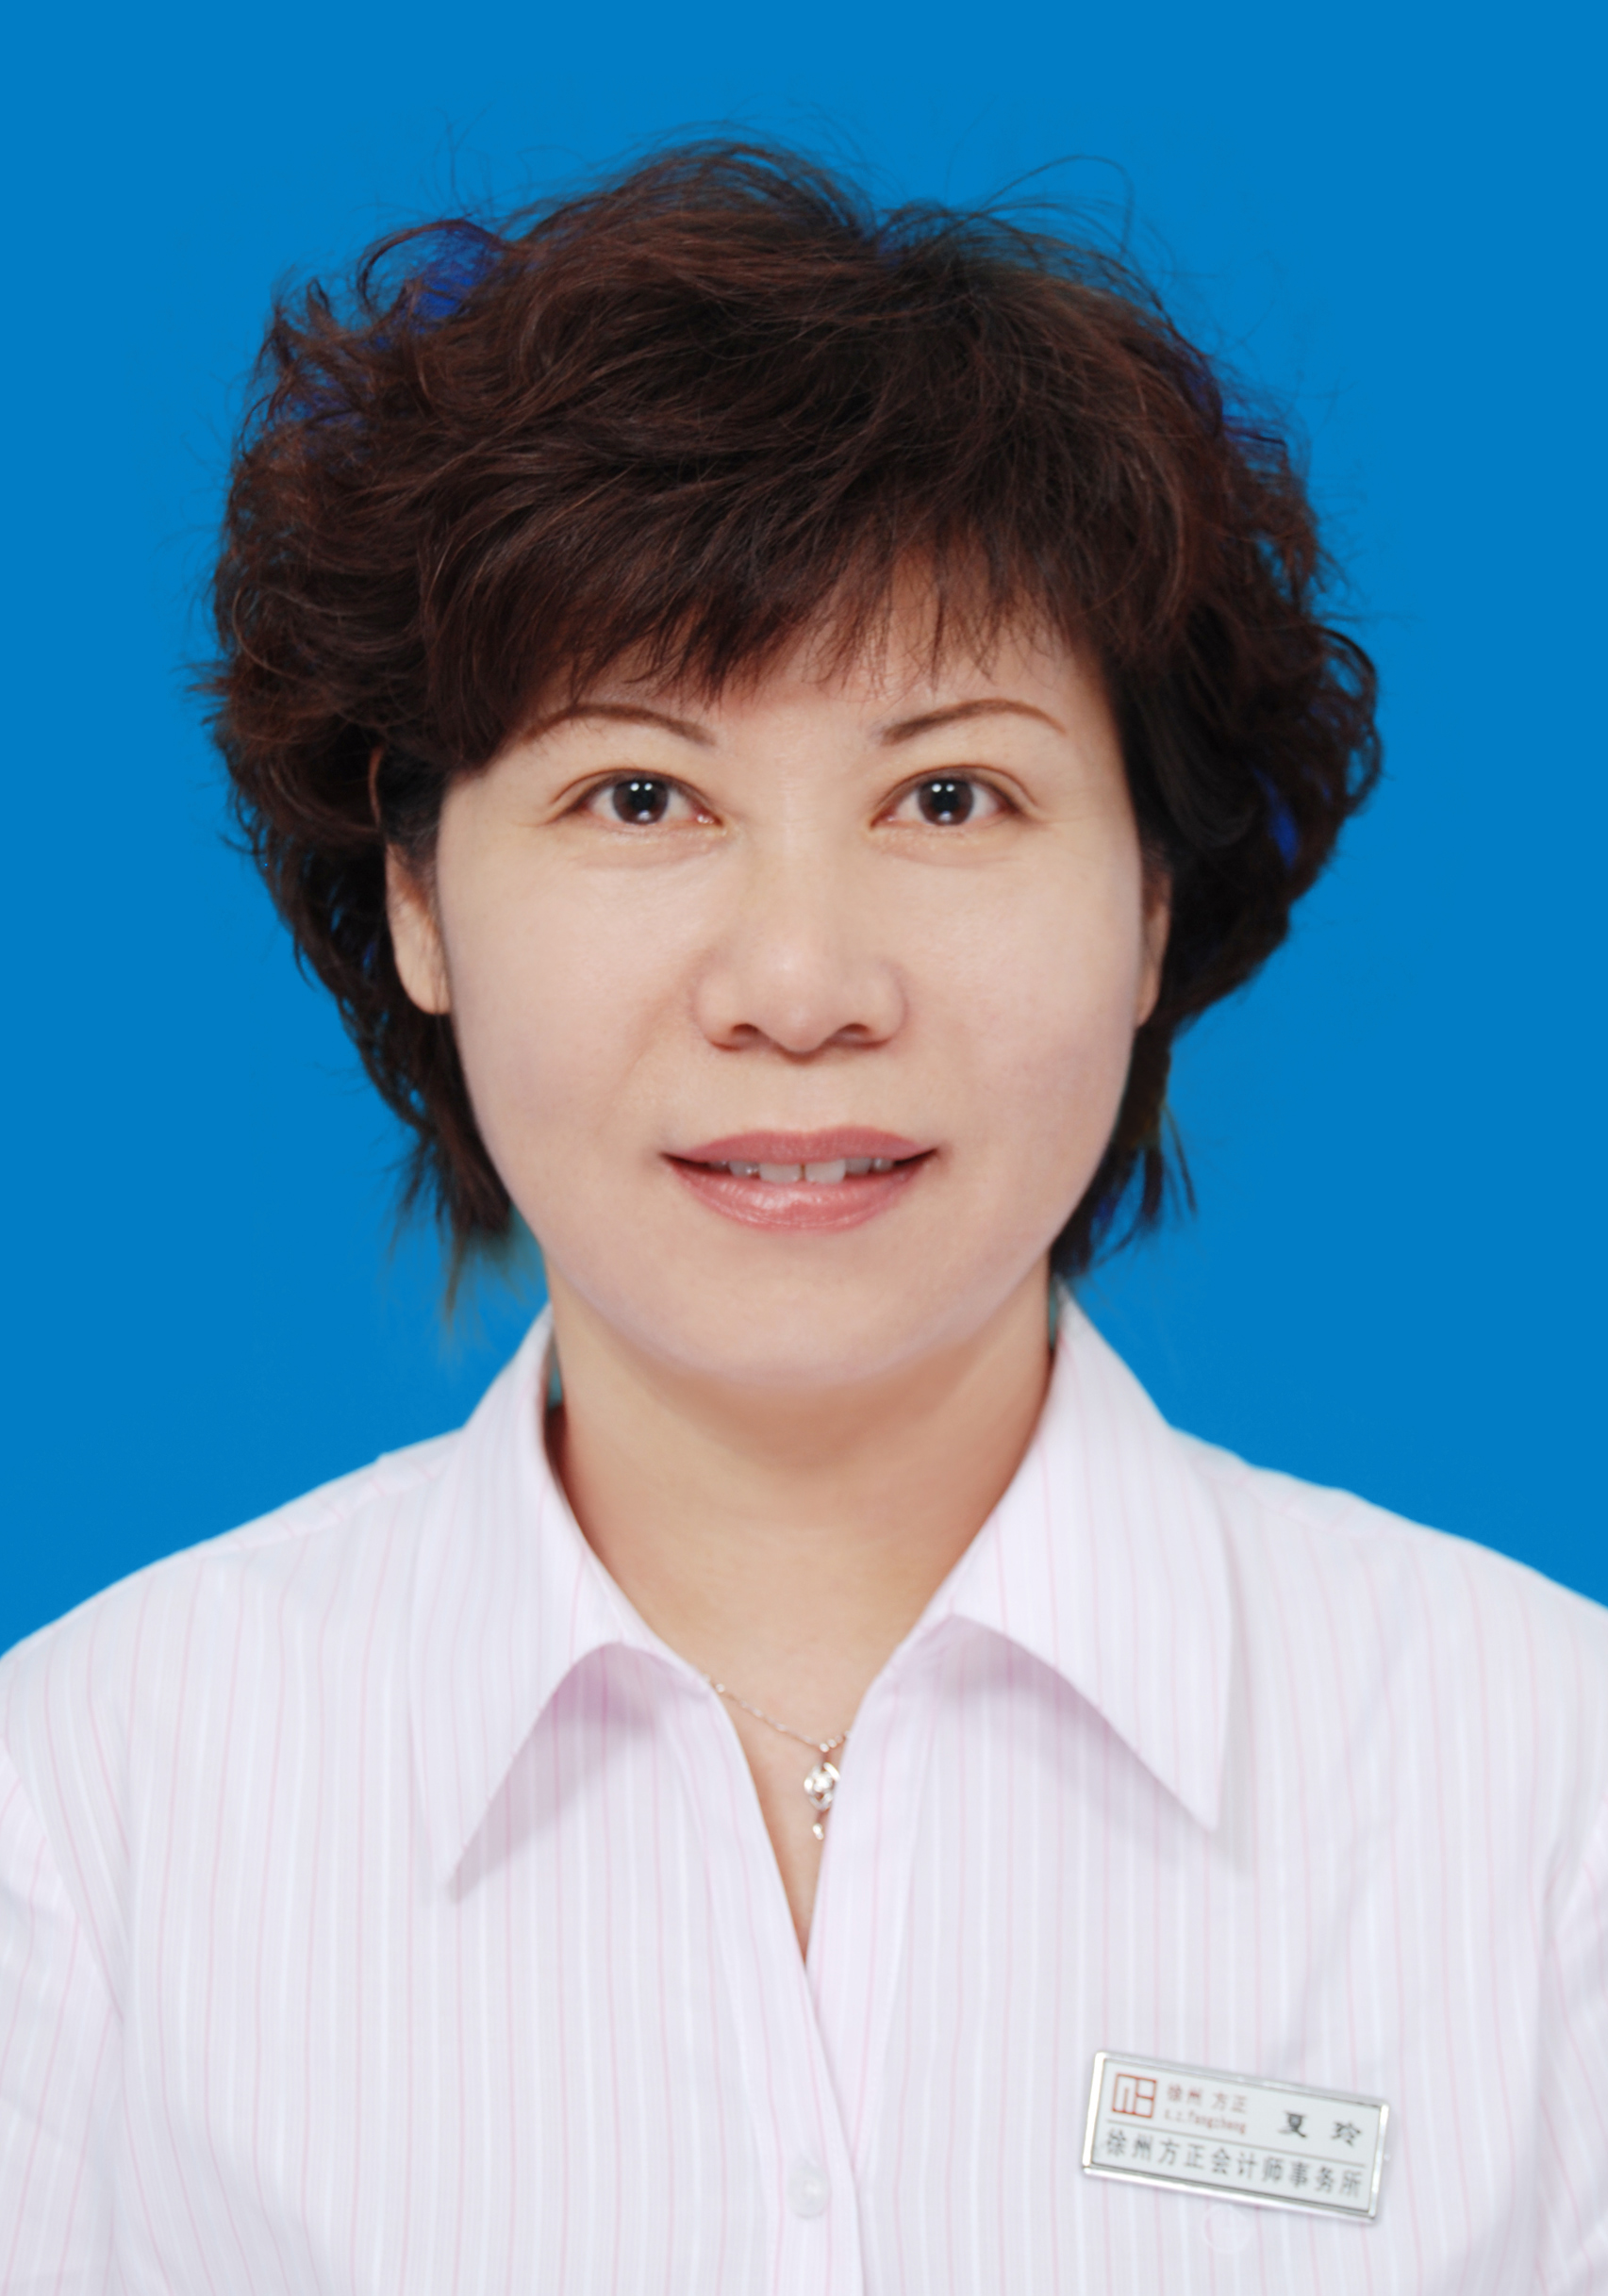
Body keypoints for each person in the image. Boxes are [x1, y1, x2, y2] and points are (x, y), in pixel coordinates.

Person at [1, 144, 1602, 2294]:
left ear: (1149, 900)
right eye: (638, 795)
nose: (797, 984)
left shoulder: (1546, 1804)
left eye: (948, 796)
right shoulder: (82, 1823)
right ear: (419, 898)